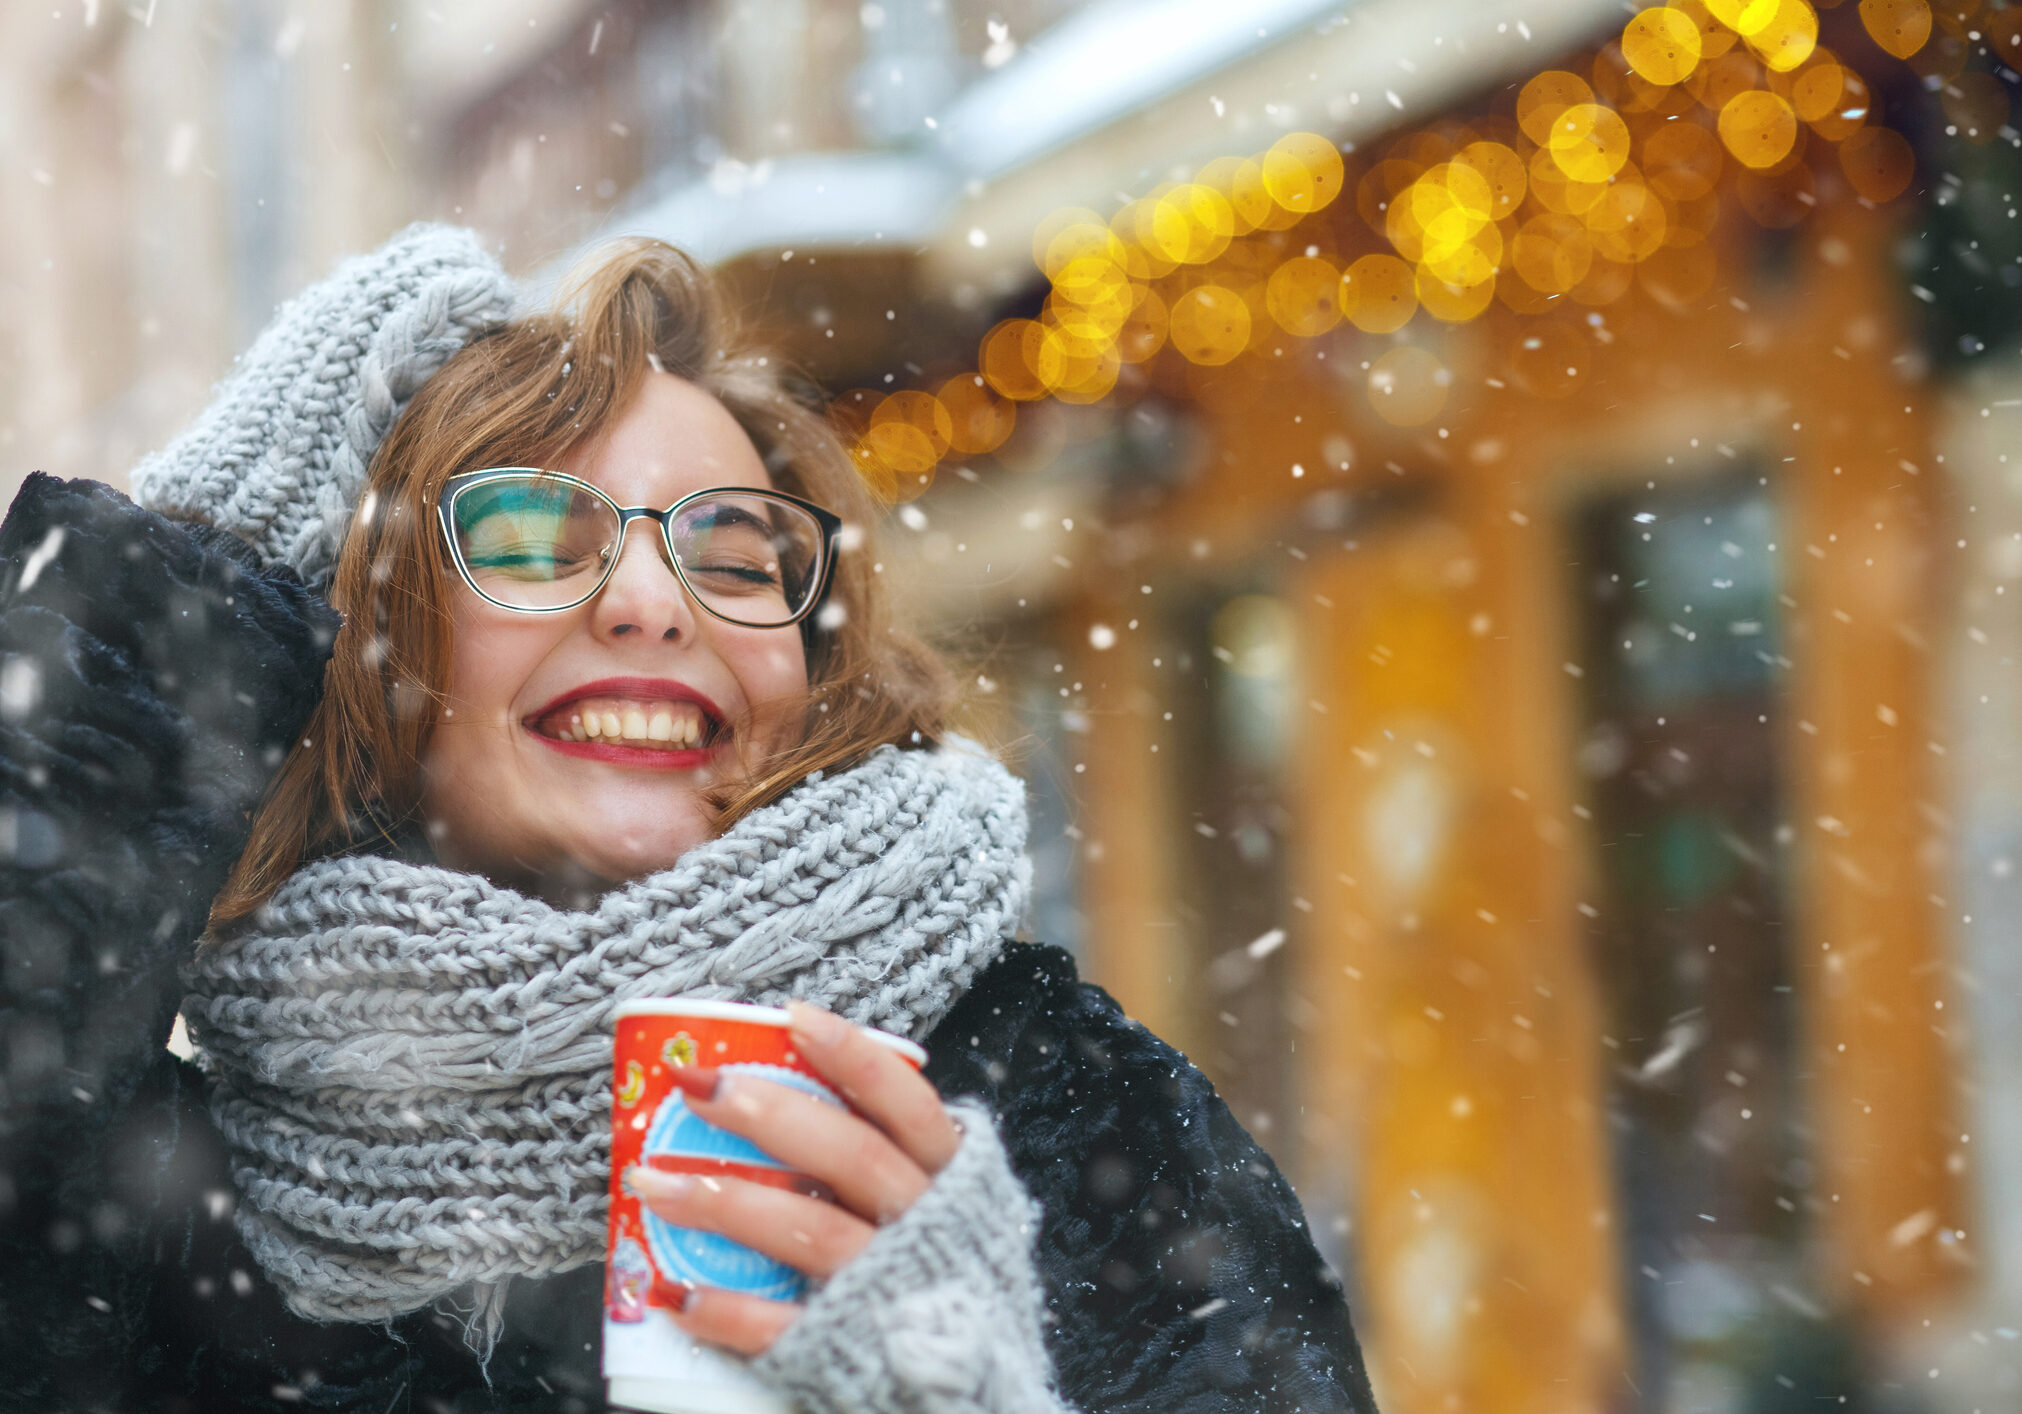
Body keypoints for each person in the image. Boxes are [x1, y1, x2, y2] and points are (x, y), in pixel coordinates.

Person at [0, 225, 1378, 1414]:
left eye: (730, 551)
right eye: (536, 539)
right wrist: (186, 586)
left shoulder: (1050, 1106)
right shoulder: (160, 1201)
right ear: (367, 651)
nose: (657, 602)